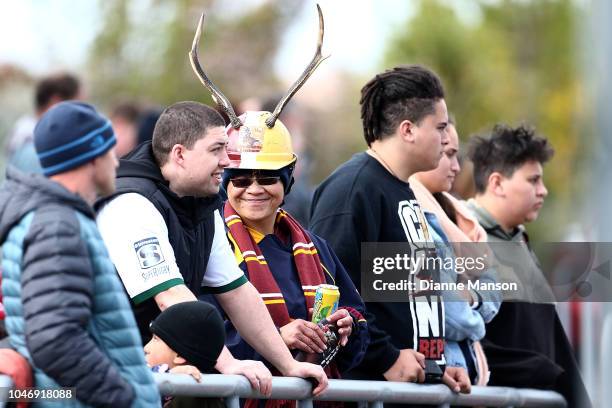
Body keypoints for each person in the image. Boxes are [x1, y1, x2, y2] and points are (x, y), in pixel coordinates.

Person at [95, 101, 328, 396]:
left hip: (139, 376)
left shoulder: (201, 205)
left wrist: (287, 364)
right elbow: (171, 297)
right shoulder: (132, 204)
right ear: (179, 154)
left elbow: (237, 291)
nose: (227, 161)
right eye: (216, 149)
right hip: (94, 375)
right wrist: (228, 364)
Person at [310, 65, 470, 394]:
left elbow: (405, 298)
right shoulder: (353, 189)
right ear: (408, 129)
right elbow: (332, 292)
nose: (445, 138)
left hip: (411, 389)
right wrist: (385, 359)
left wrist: (436, 368)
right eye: (439, 127)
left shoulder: (402, 189)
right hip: (368, 392)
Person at [0, 101, 160, 407]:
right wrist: (124, 398)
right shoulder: (57, 224)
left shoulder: (55, 217)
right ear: (92, 156)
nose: (116, 161)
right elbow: (54, 339)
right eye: (110, 151)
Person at [216, 110, 369, 406]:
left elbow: (358, 317)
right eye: (241, 180)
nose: (255, 189)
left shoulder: (316, 246)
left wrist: (346, 325)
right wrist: (276, 339)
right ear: (225, 183)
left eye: (268, 178)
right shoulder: (213, 244)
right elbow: (201, 334)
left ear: (287, 181)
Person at [465, 124, 591, 407]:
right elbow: (466, 342)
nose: (543, 191)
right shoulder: (462, 240)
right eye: (533, 180)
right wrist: (541, 371)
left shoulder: (518, 240)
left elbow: (551, 340)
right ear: (497, 183)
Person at [409, 120, 501, 385]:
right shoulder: (412, 213)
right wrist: (475, 323)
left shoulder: (458, 215)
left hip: (465, 372)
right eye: (447, 154)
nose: (457, 167)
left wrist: (468, 298)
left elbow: (494, 285)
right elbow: (450, 314)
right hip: (441, 373)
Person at [145, 301, 226, 408]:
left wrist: (165, 379)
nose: (146, 348)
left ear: (179, 356)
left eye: (156, 339)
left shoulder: (188, 401)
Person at [5, 72, 83, 174]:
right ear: (56, 102)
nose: (82, 114)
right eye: (78, 105)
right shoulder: (33, 145)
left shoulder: (24, 131)